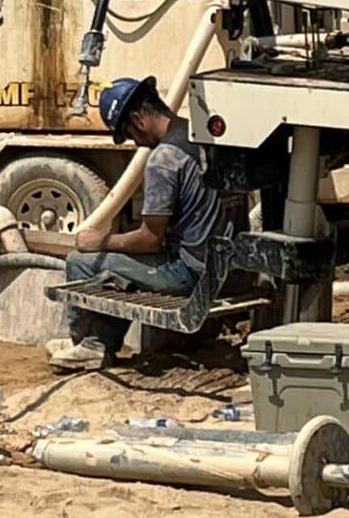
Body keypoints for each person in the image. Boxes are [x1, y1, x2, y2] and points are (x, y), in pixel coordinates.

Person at [46, 76, 246, 372]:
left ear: (138, 120)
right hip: (235, 272)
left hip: (192, 275)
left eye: (128, 133)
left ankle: (90, 346)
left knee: (83, 262)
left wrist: (99, 241)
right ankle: (96, 343)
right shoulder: (204, 138)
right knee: (122, 266)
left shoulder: (164, 159)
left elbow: (150, 239)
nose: (134, 142)